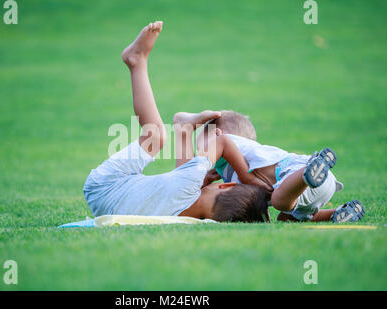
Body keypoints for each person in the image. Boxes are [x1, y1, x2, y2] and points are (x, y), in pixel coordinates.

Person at [83, 21, 270, 223]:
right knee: (185, 177)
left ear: (226, 185)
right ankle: (183, 129)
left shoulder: (191, 182)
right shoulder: (184, 215)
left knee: (155, 137)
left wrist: (247, 178)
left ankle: (136, 61)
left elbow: (222, 142)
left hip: (106, 184)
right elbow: (182, 184)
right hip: (102, 206)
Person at [202, 116, 365, 223]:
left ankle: (310, 170)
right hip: (316, 184)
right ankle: (338, 213)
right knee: (285, 218)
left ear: (218, 133)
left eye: (203, 147)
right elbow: (254, 200)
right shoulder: (226, 170)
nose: (201, 154)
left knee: (280, 201)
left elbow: (246, 177)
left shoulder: (226, 141)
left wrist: (246, 178)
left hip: (296, 170)